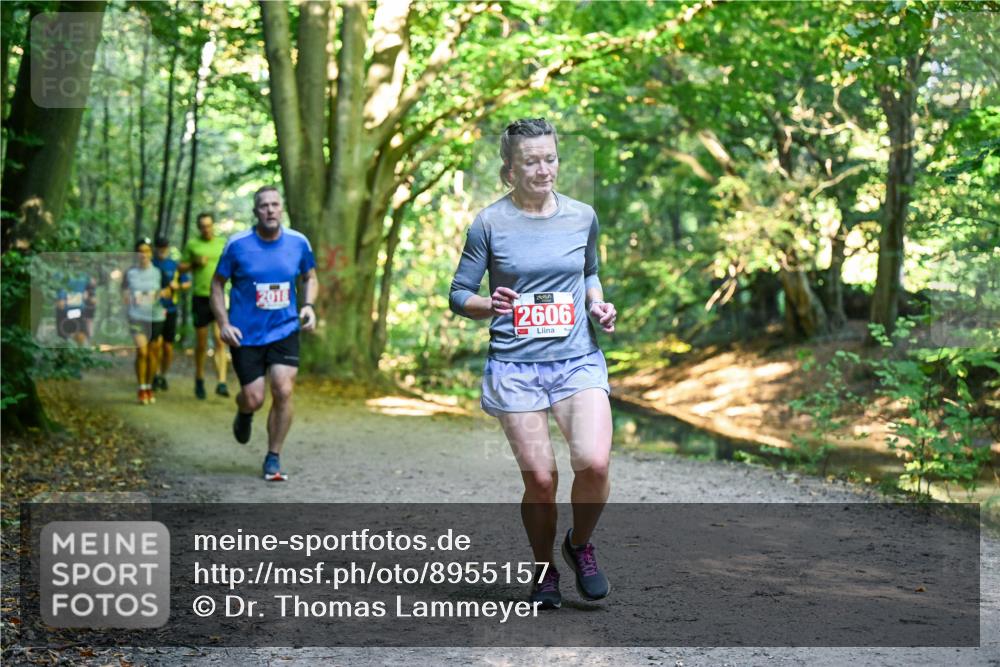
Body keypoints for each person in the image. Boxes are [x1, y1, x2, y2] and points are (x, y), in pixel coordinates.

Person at [449, 118, 618, 610]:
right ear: (509, 170)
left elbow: (589, 272)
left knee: (594, 463)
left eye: (550, 158)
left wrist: (597, 304)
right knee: (542, 481)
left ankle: (579, 545)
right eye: (530, 162)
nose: (544, 170)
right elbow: (459, 293)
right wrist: (488, 305)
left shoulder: (582, 216)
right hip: (515, 368)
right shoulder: (488, 223)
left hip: (577, 360)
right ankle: (544, 571)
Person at [211, 186, 317, 481]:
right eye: (263, 205)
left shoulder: (298, 242)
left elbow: (310, 277)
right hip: (246, 334)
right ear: (255, 211)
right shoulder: (238, 245)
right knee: (254, 398)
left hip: (284, 329)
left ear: (281, 208)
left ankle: (273, 456)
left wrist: (309, 306)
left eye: (274, 204)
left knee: (283, 390)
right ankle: (244, 412)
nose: (270, 210)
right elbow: (217, 284)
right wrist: (223, 323)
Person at [180, 213, 230, 399]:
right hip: (200, 298)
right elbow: (181, 267)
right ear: (199, 227)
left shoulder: (222, 243)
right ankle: (199, 379)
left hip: (219, 297)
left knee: (220, 339)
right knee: (201, 343)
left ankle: (222, 382)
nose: (206, 229)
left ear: (213, 225)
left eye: (209, 225)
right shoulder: (193, 244)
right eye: (203, 226)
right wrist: (194, 263)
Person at [123, 237, 169, 405]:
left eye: (146, 251)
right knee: (142, 352)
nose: (143, 254)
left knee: (152, 353)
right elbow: (124, 295)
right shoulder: (130, 273)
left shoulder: (158, 272)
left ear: (151, 253)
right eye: (140, 251)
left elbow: (168, 292)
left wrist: (160, 294)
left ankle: (149, 385)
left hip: (155, 317)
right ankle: (141, 387)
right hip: (136, 316)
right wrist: (132, 299)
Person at [152, 236, 191, 391]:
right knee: (155, 345)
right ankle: (153, 374)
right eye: (160, 246)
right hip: (153, 310)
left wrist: (178, 286)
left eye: (165, 247)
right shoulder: (151, 264)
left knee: (168, 347)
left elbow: (187, 283)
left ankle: (163, 375)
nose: (162, 249)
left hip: (171, 310)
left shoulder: (174, 265)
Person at [55, 270, 97, 346]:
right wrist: (60, 297)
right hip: (64, 310)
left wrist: (91, 295)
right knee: (64, 336)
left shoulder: (84, 275)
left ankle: (81, 349)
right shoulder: (59, 272)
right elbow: (55, 287)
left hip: (77, 309)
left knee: (80, 334)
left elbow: (91, 289)